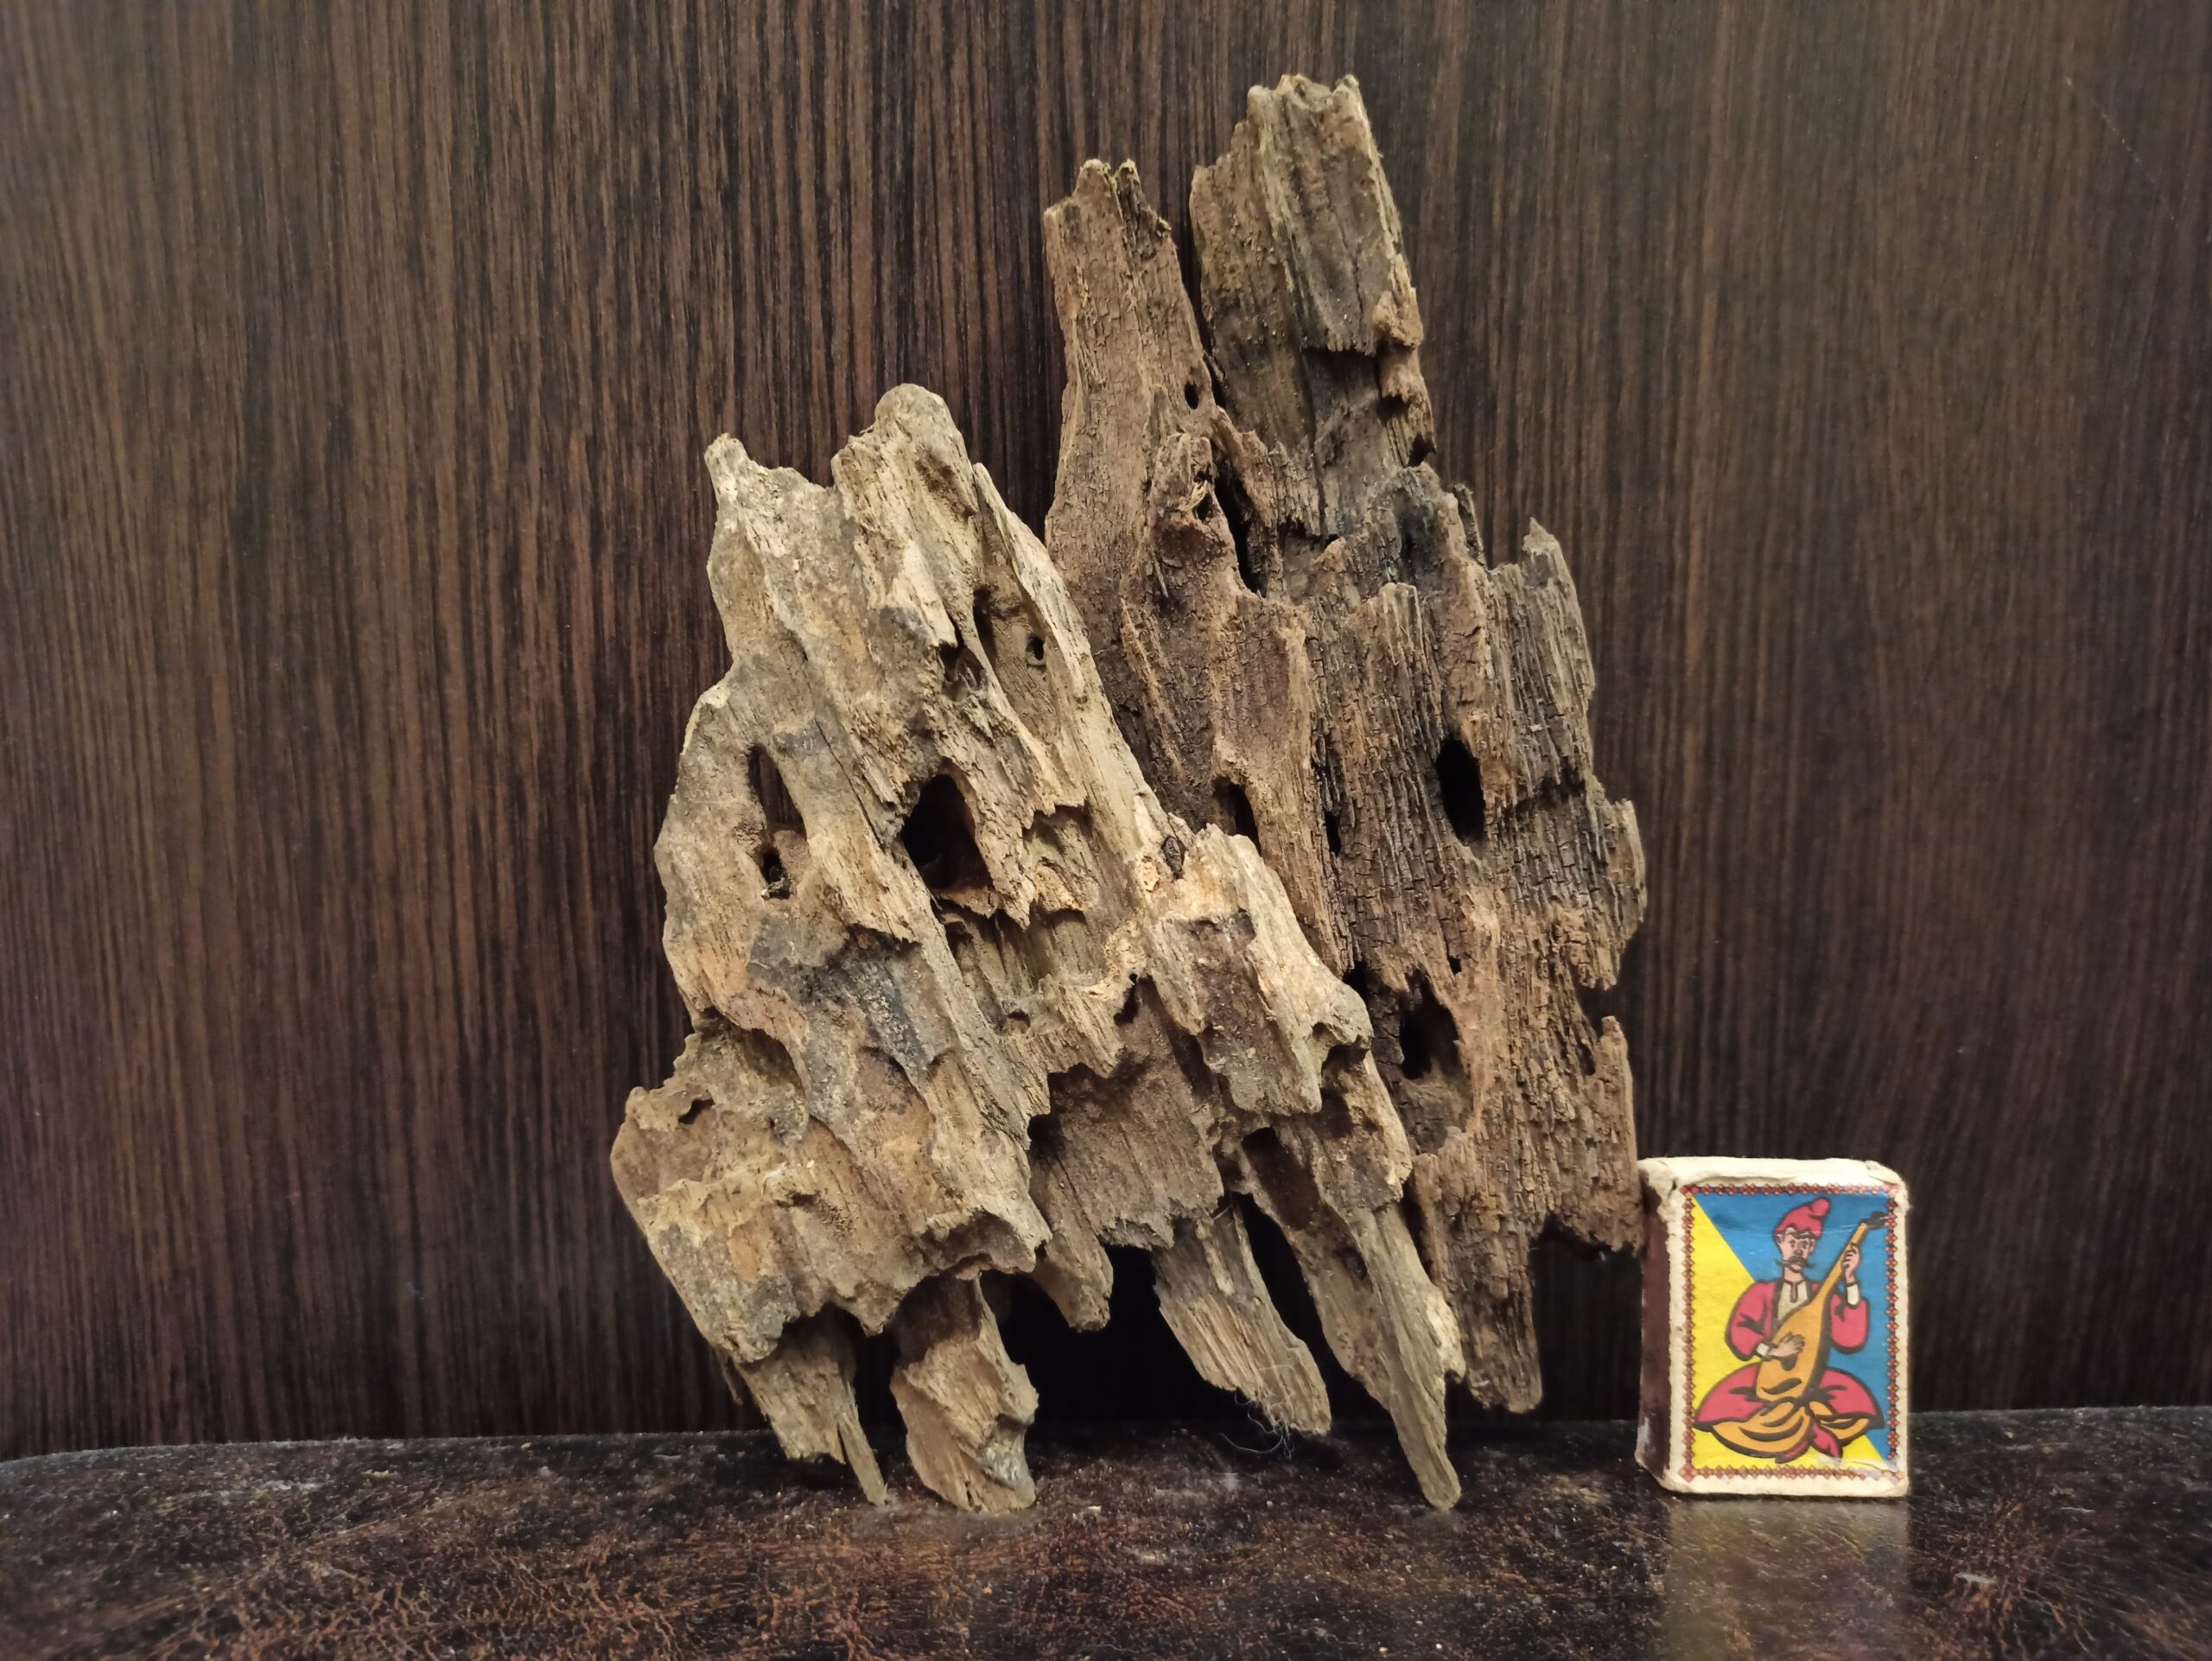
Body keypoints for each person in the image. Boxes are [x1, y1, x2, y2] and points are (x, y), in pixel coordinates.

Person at [1693, 1198, 1882, 1461]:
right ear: (1780, 1241)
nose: (1798, 1249)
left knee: (1855, 1406)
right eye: (1793, 1241)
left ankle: (1797, 1428)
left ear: (1812, 1248)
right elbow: (1739, 1330)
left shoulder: (1823, 1294)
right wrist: (1772, 1350)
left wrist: (1850, 1281)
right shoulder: (1762, 1292)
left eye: (1805, 1243)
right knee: (1728, 1414)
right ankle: (1808, 1428)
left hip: (1813, 1377)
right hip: (1767, 1378)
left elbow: (1850, 1338)